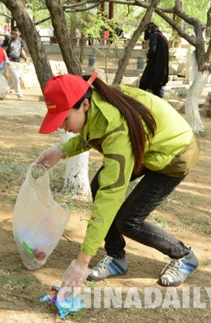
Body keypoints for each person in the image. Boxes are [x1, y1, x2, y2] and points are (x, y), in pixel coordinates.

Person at [33, 72, 200, 300]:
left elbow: (110, 196)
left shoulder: (115, 126)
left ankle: (184, 256)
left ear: (83, 105)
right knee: (98, 184)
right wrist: (61, 150)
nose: (62, 127)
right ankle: (116, 256)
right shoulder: (94, 104)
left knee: (128, 221)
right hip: (144, 147)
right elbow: (93, 130)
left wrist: (82, 262)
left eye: (64, 119)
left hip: (174, 153)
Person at [139, 22, 169, 98]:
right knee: (156, 91)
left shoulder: (154, 36)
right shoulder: (163, 37)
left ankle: (139, 104)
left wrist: (149, 56)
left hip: (155, 68)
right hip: (162, 70)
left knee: (142, 85)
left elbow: (153, 50)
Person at [2, 27, 28, 100]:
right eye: (12, 33)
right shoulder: (8, 39)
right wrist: (7, 60)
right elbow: (3, 50)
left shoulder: (21, 40)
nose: (13, 35)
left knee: (12, 79)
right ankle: (19, 95)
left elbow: (21, 50)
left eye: (15, 34)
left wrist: (25, 58)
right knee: (16, 78)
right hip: (10, 61)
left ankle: (3, 92)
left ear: (19, 33)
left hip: (17, 61)